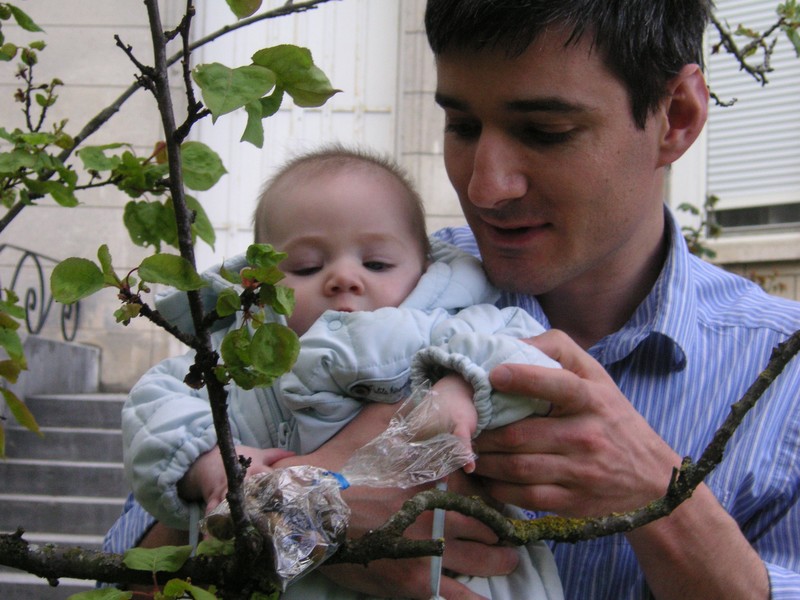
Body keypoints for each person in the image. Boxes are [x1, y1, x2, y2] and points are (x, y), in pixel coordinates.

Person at [314, 1, 800, 598]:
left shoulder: (784, 378)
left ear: (676, 116)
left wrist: (662, 495)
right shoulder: (369, 293)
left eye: (546, 132)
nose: (486, 187)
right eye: (462, 126)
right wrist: (312, 517)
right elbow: (203, 506)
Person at [106, 145, 565, 599]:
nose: (344, 277)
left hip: (455, 574)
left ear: (425, 270)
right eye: (307, 266)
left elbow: (530, 359)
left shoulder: (447, 327)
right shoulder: (240, 360)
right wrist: (211, 464)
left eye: (377, 263)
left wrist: (460, 386)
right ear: (258, 281)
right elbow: (155, 409)